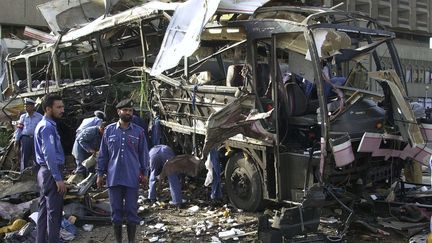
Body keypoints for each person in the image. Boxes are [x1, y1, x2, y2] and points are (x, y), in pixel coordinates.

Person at [97, 98, 149, 243]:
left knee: (132, 212)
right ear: (118, 111)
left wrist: (145, 174)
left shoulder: (139, 132)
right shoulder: (109, 131)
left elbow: (143, 154)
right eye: (125, 110)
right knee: (116, 212)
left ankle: (131, 241)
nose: (128, 113)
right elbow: (103, 154)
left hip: (132, 178)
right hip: (113, 178)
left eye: (130, 111)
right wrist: (100, 174)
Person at [34, 94, 66, 243]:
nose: (62, 110)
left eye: (62, 106)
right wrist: (58, 178)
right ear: (48, 109)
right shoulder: (47, 127)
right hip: (50, 172)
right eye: (58, 107)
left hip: (44, 172)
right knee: (54, 213)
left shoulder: (44, 125)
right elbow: (49, 154)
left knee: (44, 211)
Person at [14, 98, 43, 173]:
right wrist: (16, 140)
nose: (26, 107)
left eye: (28, 106)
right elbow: (19, 129)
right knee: (24, 157)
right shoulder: (23, 117)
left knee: (37, 156)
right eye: (25, 106)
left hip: (35, 139)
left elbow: (42, 130)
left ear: (33, 107)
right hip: (25, 139)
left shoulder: (39, 117)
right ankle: (23, 173)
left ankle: (38, 173)